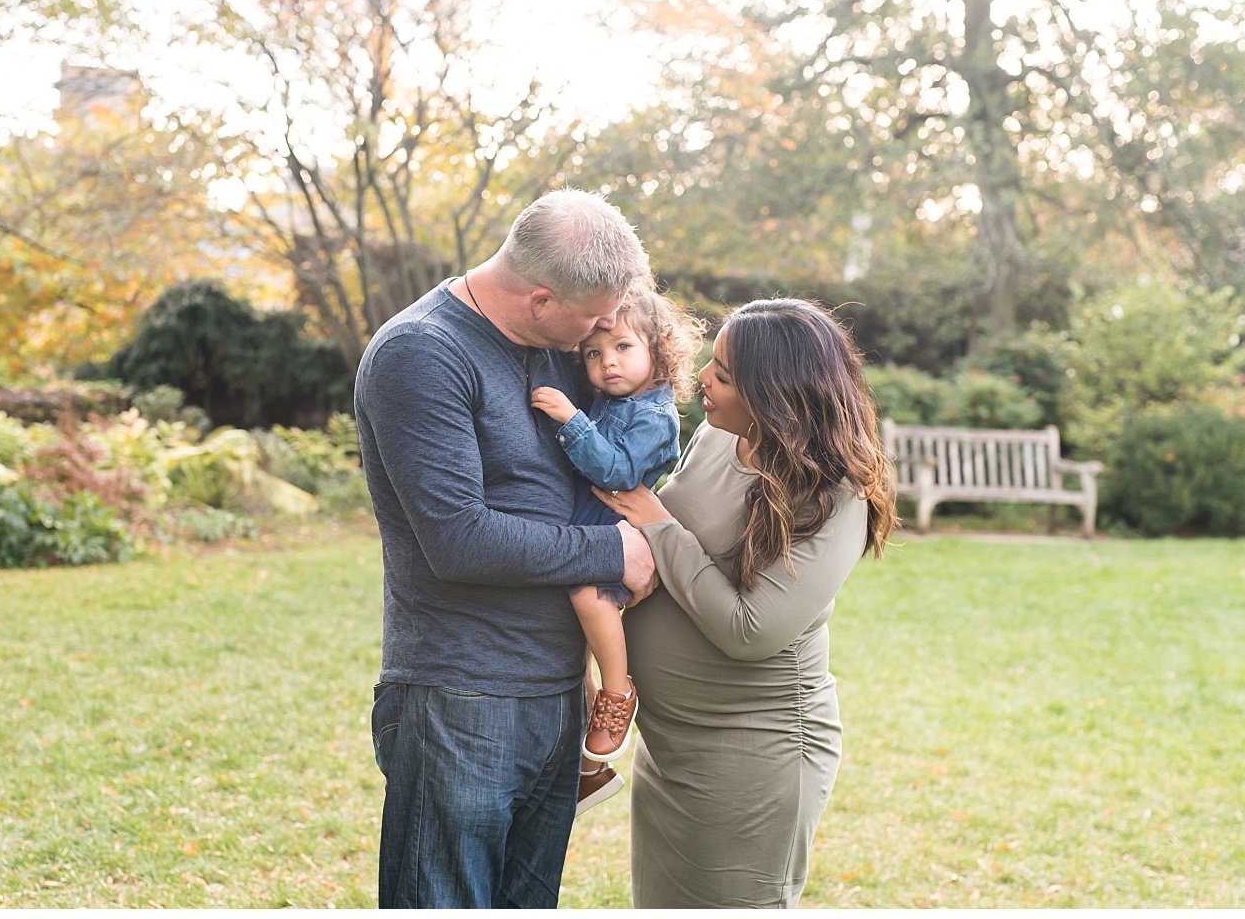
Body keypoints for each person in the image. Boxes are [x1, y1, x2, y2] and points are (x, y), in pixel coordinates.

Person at [353, 188, 659, 909]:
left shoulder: (555, 350)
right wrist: (611, 553)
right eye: (593, 319)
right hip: (462, 696)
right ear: (541, 298)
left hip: (555, 693)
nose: (605, 330)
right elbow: (457, 539)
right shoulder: (421, 353)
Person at [596, 297, 898, 908]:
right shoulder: (715, 435)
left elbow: (751, 629)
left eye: (725, 375)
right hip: (672, 746)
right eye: (713, 363)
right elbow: (674, 555)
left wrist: (655, 522)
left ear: (778, 396)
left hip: (752, 754)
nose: (702, 378)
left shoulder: (835, 496)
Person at [529, 279, 704, 809]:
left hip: (617, 527)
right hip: (588, 522)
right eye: (593, 353)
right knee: (571, 643)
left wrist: (571, 420)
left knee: (588, 597)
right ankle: (588, 770)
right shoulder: (610, 400)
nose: (607, 363)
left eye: (623, 348)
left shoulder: (653, 415)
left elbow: (618, 470)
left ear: (659, 351)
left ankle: (619, 691)